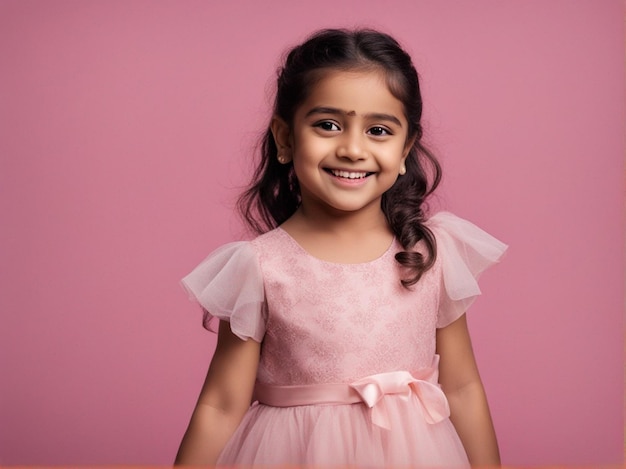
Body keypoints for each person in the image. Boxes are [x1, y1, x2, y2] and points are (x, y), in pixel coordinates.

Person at [175, 28, 506, 467]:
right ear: (285, 138)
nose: (352, 149)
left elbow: (463, 388)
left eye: (378, 130)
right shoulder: (260, 267)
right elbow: (220, 404)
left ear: (406, 147)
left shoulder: (429, 254)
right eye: (328, 125)